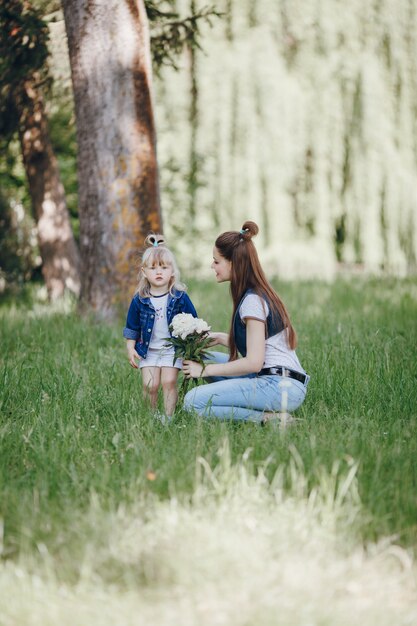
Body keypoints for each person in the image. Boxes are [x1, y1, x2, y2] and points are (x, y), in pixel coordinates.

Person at [182, 221, 309, 424]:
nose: (212, 266)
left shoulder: (252, 301)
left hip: (279, 387)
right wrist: (222, 338)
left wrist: (204, 371)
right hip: (276, 380)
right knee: (203, 356)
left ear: (233, 262)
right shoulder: (255, 292)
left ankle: (267, 419)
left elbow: (253, 362)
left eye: (216, 261)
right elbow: (259, 346)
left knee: (193, 401)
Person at [123, 234, 197, 422]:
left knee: (168, 381)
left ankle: (169, 417)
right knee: (150, 384)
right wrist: (130, 348)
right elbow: (132, 326)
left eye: (164, 267)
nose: (159, 272)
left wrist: (191, 346)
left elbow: (193, 321)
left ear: (172, 271)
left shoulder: (179, 296)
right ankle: (152, 417)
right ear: (144, 271)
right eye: (153, 268)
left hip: (172, 350)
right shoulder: (140, 298)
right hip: (148, 351)